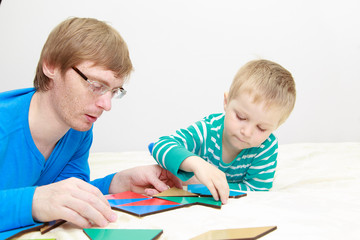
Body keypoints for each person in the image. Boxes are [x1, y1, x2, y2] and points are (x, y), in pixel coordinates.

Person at [0, 17, 182, 232]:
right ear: (51, 65)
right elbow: (45, 198)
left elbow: (66, 197)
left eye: (114, 91)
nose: (106, 105)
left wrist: (119, 182)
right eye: (96, 85)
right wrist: (35, 201)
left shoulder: (78, 130)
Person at [150, 59, 296, 204]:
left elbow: (257, 190)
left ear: (275, 127)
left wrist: (200, 185)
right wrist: (197, 164)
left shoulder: (266, 146)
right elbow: (160, 145)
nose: (247, 132)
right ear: (226, 102)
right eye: (241, 117)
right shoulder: (208, 130)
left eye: (261, 128)